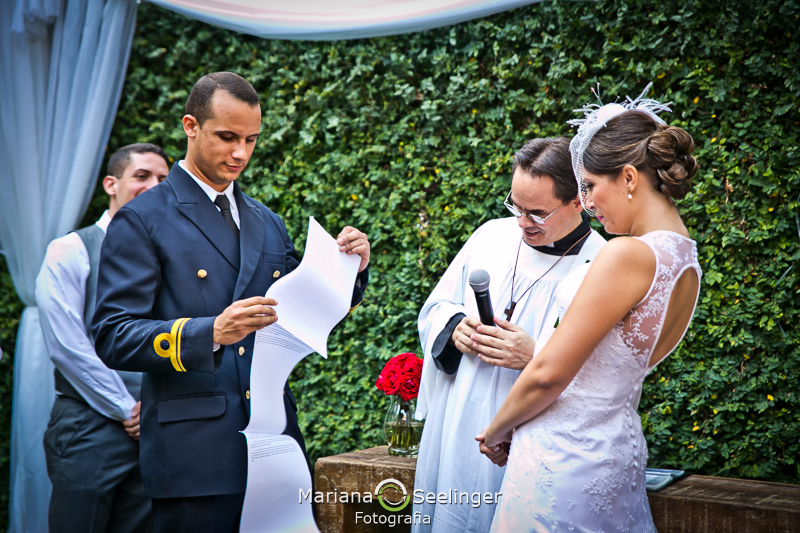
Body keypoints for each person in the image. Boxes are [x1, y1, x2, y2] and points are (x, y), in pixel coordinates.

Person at [91, 72, 370, 532]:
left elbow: (303, 311)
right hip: (194, 453)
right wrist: (210, 332)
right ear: (190, 126)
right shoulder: (143, 218)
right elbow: (112, 334)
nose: (241, 153)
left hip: (273, 440)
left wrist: (350, 270)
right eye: (227, 137)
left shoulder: (267, 220)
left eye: (251, 139)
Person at [478, 86, 702, 532]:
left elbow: (549, 373)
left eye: (591, 186)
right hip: (614, 452)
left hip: (560, 458)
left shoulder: (626, 255)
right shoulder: (687, 261)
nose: (589, 202)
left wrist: (496, 430)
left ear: (629, 177)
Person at [413, 138, 607, 532]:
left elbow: (607, 370)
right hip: (459, 416)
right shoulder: (491, 236)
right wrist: (454, 329)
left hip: (529, 438)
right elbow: (436, 308)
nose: (522, 223)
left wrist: (536, 354)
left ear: (578, 201)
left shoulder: (601, 263)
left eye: (536, 212)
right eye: (515, 207)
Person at [37, 143, 170, 533]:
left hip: (154, 429)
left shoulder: (168, 255)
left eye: (163, 179)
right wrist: (126, 408)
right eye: (142, 176)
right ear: (112, 184)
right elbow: (67, 345)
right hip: (88, 429)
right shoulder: (70, 249)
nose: (154, 185)